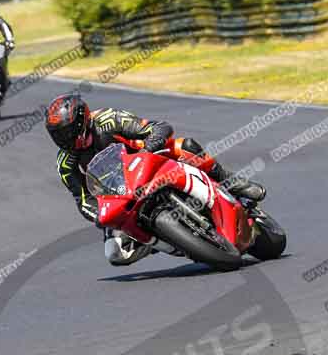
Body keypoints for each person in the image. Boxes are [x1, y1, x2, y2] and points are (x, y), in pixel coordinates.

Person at [44, 93, 267, 266]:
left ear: (82, 120)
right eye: (57, 135)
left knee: (185, 146)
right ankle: (163, 240)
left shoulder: (108, 119)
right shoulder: (66, 163)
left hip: (148, 163)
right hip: (121, 196)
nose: (64, 139)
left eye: (66, 132)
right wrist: (101, 217)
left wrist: (147, 151)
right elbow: (82, 201)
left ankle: (229, 180)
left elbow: (159, 128)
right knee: (115, 254)